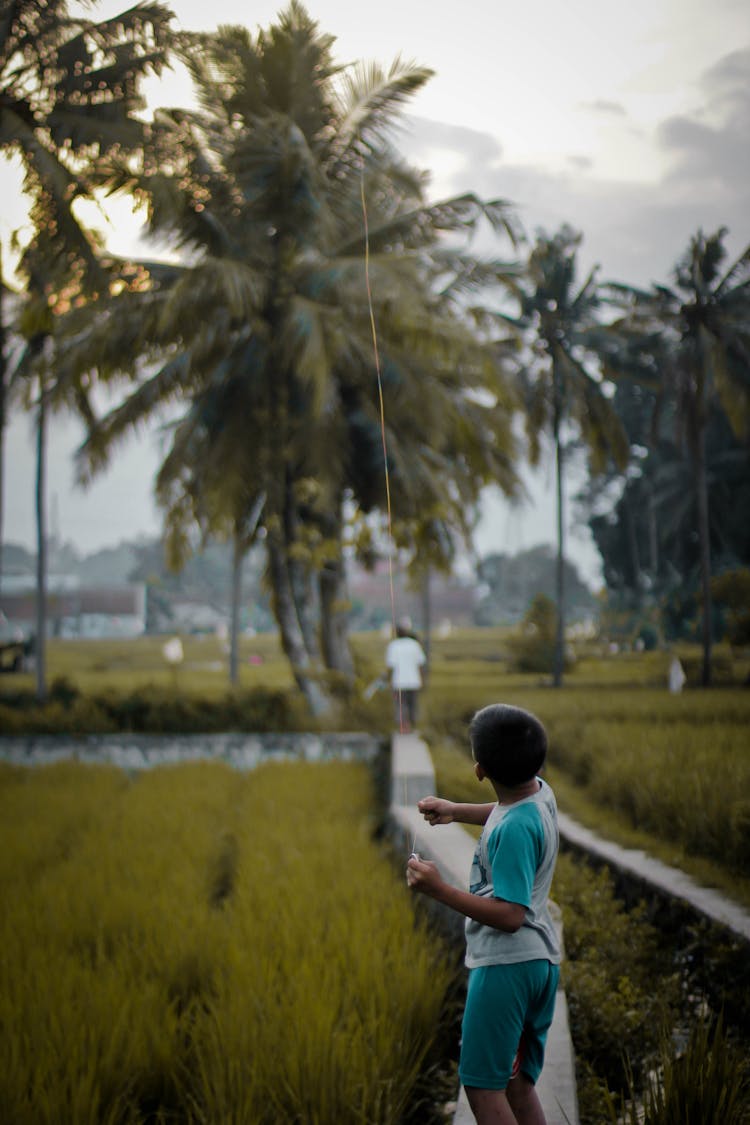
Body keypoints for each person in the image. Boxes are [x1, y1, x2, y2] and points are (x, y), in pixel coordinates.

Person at [406, 703, 560, 1125]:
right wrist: (456, 810)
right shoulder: (539, 795)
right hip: (539, 963)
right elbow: (505, 811)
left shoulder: (512, 831)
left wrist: (441, 890)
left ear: (480, 769)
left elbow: (510, 915)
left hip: (505, 966)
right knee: (516, 1085)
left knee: (480, 1085)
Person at [384, 618, 427, 732]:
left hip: (399, 681)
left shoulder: (393, 646)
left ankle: (403, 726)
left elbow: (391, 666)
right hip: (414, 681)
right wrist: (422, 680)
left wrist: (388, 681)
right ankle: (412, 726)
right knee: (413, 705)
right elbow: (421, 664)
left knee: (400, 705)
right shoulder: (414, 645)